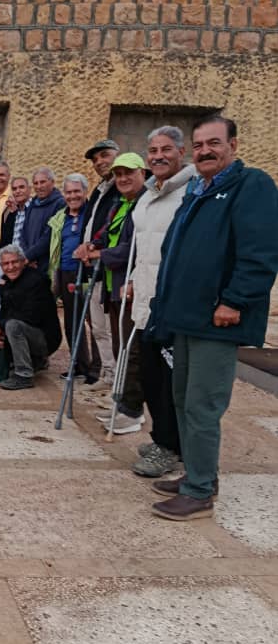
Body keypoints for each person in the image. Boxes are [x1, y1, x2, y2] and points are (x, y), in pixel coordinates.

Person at [149, 115, 278, 521]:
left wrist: (234, 301)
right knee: (183, 400)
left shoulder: (251, 185)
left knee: (203, 405)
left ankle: (199, 492)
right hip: (185, 318)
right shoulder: (197, 190)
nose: (205, 151)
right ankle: (198, 473)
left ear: (233, 146)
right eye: (199, 144)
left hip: (217, 320)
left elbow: (261, 253)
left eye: (214, 143)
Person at [127, 126, 196, 478]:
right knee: (151, 376)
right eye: (153, 150)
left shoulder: (191, 192)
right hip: (146, 301)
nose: (158, 156)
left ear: (181, 152)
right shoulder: (149, 194)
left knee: (170, 381)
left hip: (173, 304)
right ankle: (164, 438)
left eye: (166, 149)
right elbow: (144, 249)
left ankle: (170, 447)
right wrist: (132, 280)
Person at [85, 154, 147, 434]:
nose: (122, 179)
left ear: (142, 173)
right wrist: (91, 244)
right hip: (113, 285)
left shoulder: (143, 204)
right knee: (120, 347)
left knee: (131, 352)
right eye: (118, 174)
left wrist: (99, 254)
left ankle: (132, 412)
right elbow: (106, 233)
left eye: (128, 173)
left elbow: (130, 248)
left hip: (131, 287)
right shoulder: (119, 204)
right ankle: (121, 403)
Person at [0, 244, 61, 390]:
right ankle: (30, 362)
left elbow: (30, 316)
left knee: (12, 325)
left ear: (23, 262)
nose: (11, 267)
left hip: (44, 337)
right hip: (19, 331)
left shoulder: (36, 280)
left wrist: (4, 326)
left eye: (14, 262)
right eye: (6, 264)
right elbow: (4, 310)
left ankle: (24, 374)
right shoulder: (6, 281)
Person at [47, 173, 98, 384]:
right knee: (72, 321)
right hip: (65, 271)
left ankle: (97, 370)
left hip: (87, 272)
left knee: (94, 322)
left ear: (85, 192)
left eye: (77, 191)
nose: (72, 196)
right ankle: (80, 365)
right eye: (68, 192)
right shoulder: (61, 216)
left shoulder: (93, 214)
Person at [78, 139, 120, 389]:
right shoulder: (99, 190)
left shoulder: (122, 188)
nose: (99, 162)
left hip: (110, 267)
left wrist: (95, 245)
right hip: (92, 267)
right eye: (95, 159)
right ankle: (108, 373)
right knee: (97, 327)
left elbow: (112, 226)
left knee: (112, 328)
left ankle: (119, 379)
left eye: (105, 155)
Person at [19, 167, 64, 273]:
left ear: (52, 182)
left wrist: (30, 256)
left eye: (43, 182)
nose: (39, 186)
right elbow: (24, 232)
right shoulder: (33, 204)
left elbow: (49, 236)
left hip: (46, 263)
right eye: (36, 183)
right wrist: (27, 256)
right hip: (30, 263)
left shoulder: (59, 204)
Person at [1, 176, 31, 249]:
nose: (17, 191)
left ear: (29, 189)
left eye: (21, 187)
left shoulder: (35, 209)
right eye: (14, 189)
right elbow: (5, 239)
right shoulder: (12, 212)